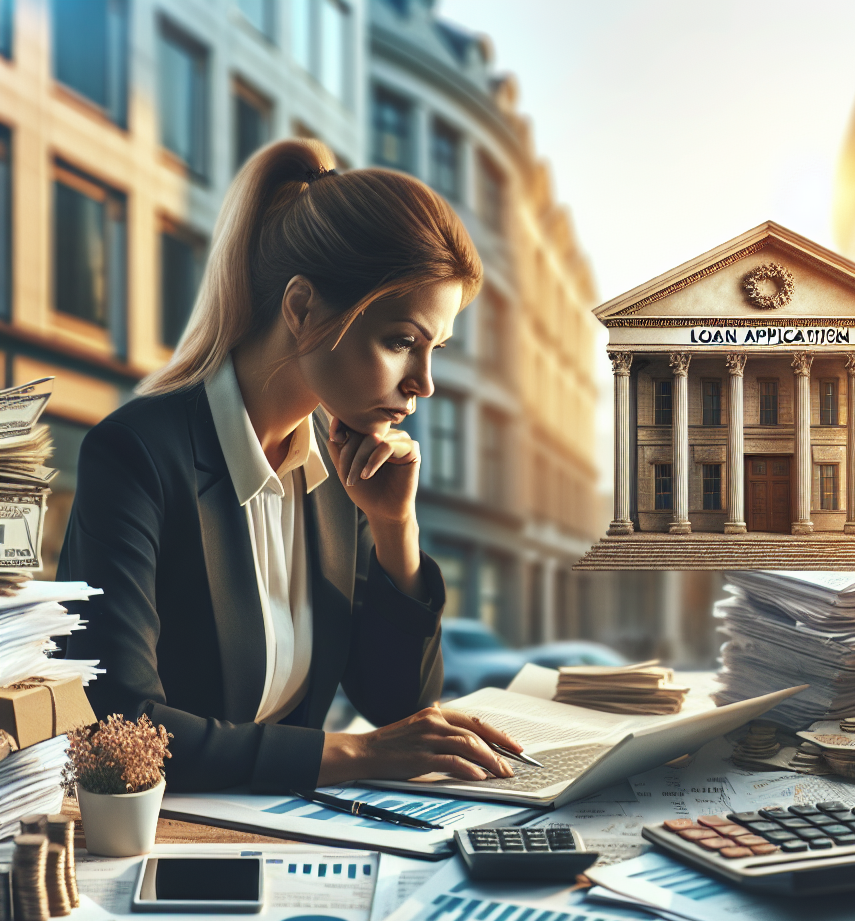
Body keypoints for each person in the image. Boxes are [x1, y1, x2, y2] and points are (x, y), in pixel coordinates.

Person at [57, 139, 522, 793]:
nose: (425, 383)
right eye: (401, 343)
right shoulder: (137, 455)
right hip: (167, 848)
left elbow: (398, 709)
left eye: (435, 350)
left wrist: (395, 529)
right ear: (302, 309)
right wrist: (355, 757)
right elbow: (117, 728)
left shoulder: (339, 475)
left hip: (297, 834)